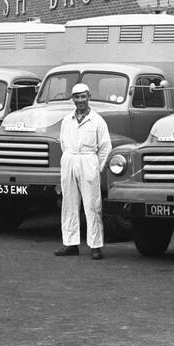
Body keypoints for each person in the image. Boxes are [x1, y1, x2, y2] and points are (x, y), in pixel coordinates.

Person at [55, 82, 111, 259]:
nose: (80, 100)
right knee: (69, 204)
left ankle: (95, 246)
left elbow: (105, 147)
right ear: (72, 99)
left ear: (89, 97)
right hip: (70, 159)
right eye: (77, 97)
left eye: (83, 96)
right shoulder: (66, 120)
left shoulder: (97, 121)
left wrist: (96, 167)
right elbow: (63, 143)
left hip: (88, 161)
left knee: (92, 204)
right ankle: (70, 243)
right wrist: (70, 160)